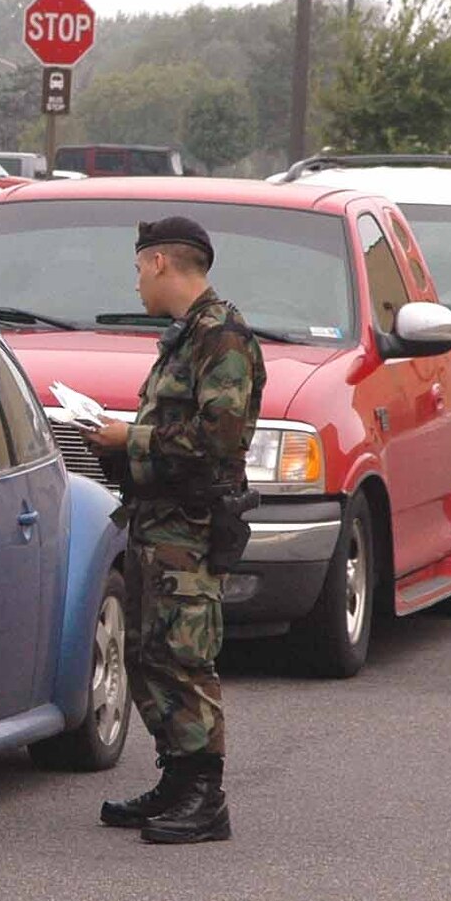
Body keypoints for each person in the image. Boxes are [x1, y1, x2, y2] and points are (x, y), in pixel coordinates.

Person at [85, 217, 266, 844]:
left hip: (189, 523)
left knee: (184, 654)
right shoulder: (187, 337)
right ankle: (177, 775)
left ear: (161, 263)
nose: (136, 282)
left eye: (139, 269)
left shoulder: (223, 339)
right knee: (148, 652)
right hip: (157, 519)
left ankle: (204, 796)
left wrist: (126, 437)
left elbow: (216, 441)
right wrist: (120, 441)